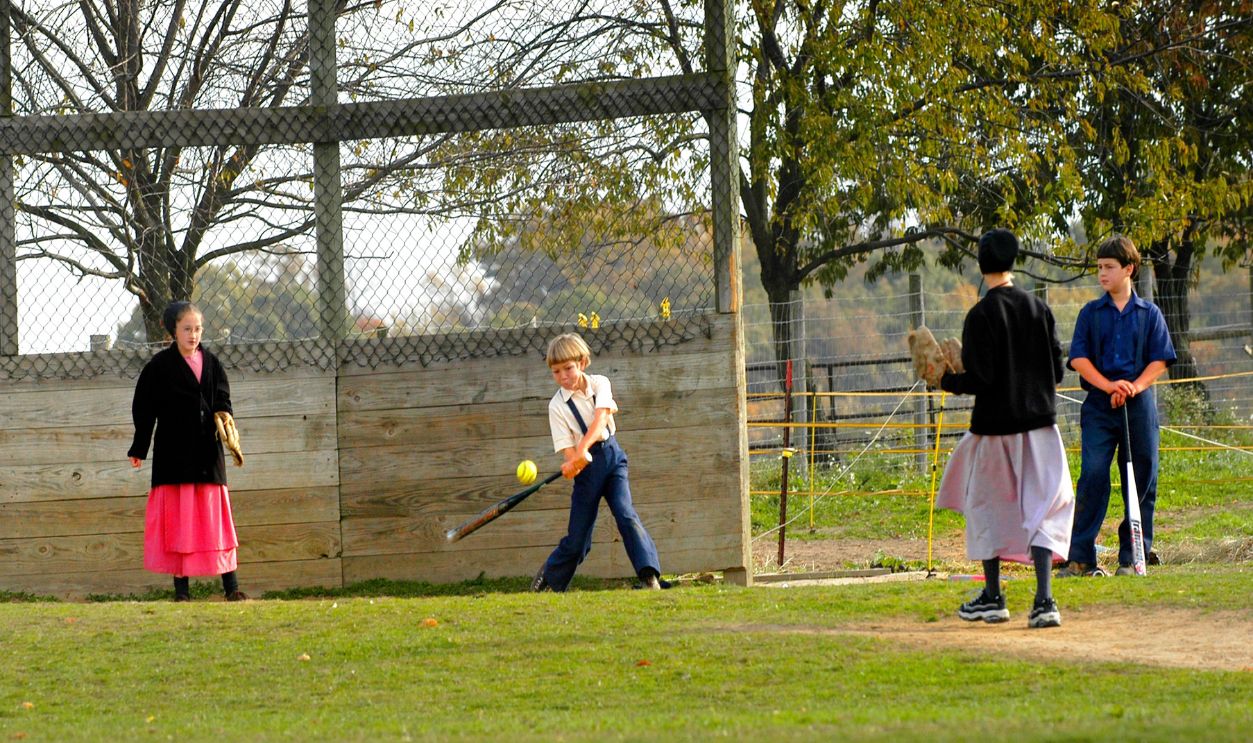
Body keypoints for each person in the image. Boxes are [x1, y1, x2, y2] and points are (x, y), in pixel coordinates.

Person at [934, 229, 1073, 629]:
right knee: (1046, 508)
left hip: (994, 431)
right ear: (1013, 262)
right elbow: (1057, 371)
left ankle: (993, 596)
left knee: (988, 508)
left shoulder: (980, 315)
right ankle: (1045, 600)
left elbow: (981, 379)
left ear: (981, 264)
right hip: (1041, 429)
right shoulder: (1038, 308)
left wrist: (945, 380)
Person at [1058, 235, 1175, 578]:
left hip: (1138, 408)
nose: (1102, 274)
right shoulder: (1090, 314)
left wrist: (1134, 387)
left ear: (1129, 269)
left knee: (1141, 478)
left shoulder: (1149, 314)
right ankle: (1080, 557)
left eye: (1109, 267)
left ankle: (1134, 555)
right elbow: (1078, 358)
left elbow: (1161, 359)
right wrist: (1109, 385)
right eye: (1099, 267)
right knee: (1093, 474)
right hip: (1098, 406)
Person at [128, 301, 247, 602]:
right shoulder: (158, 367)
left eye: (198, 329)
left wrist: (224, 416)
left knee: (214, 522)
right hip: (174, 457)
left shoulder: (213, 363)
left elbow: (223, 398)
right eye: (187, 329)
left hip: (208, 455)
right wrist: (140, 446)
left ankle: (231, 587)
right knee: (181, 523)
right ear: (173, 331)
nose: (194, 335)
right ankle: (182, 591)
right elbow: (145, 408)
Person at [531, 333, 665, 592]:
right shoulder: (556, 407)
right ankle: (549, 578)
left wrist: (582, 449)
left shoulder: (600, 383)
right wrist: (573, 464)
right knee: (578, 539)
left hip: (612, 459)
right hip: (587, 474)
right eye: (556, 371)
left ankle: (649, 577)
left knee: (626, 514)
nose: (563, 376)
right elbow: (569, 453)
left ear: (582, 363)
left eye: (568, 368)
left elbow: (601, 418)